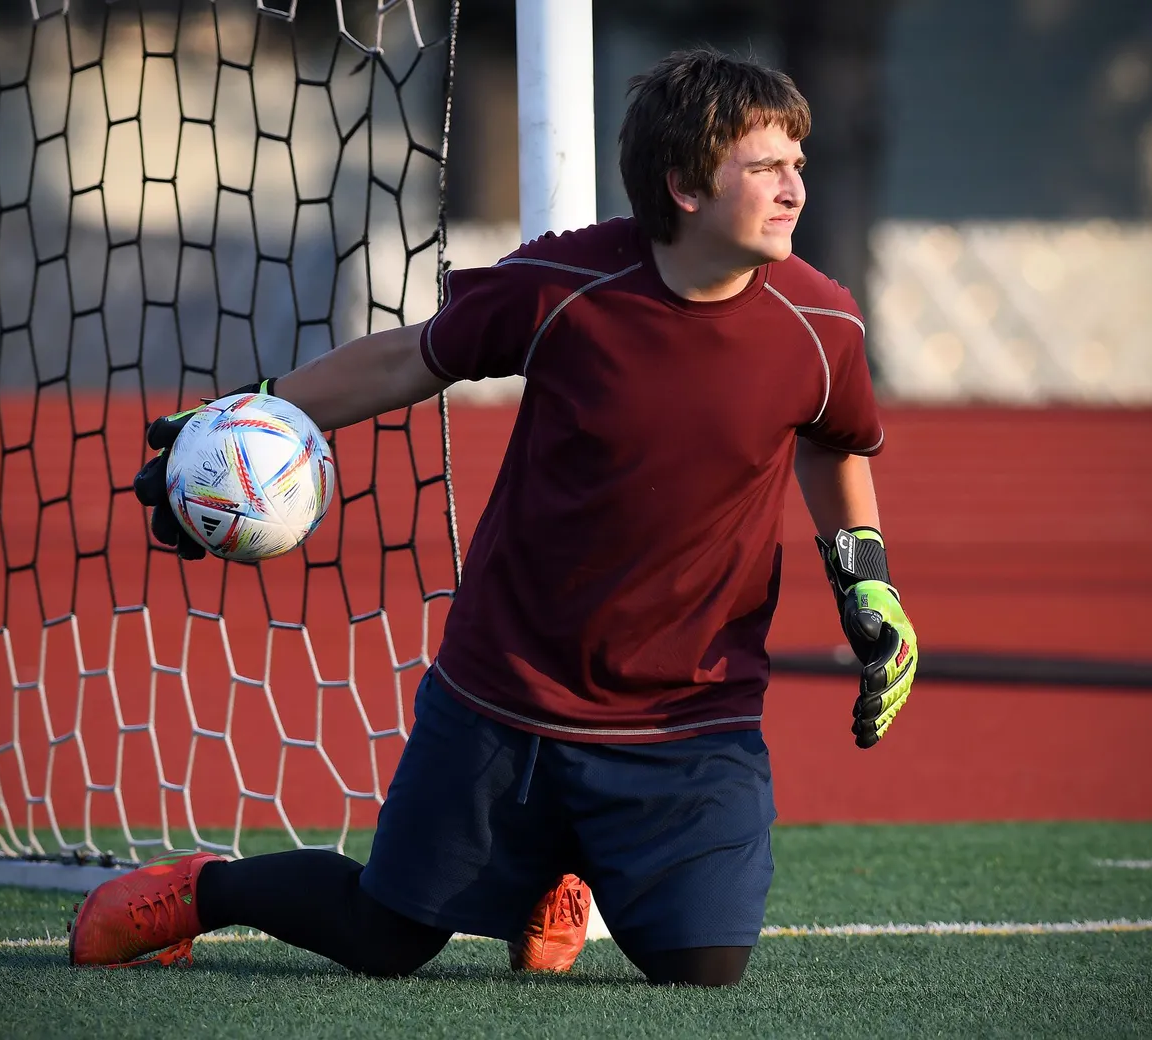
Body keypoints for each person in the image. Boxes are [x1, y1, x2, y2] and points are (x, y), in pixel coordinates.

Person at [68, 47, 917, 987]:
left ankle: (557, 859)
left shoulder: (824, 324)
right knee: (384, 941)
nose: (795, 189)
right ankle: (204, 890)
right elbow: (410, 358)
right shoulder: (561, 284)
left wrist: (867, 583)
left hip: (689, 719)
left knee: (703, 968)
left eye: (798, 163)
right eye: (765, 167)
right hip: (507, 695)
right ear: (683, 186)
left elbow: (834, 442)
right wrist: (255, 411)